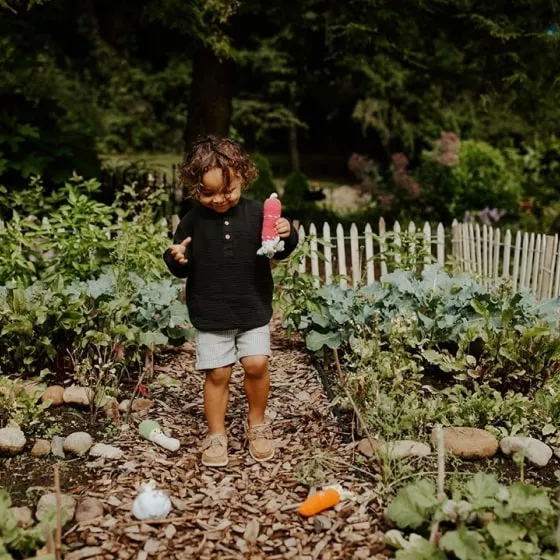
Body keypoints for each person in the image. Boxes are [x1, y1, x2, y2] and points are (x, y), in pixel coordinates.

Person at [163, 135, 299, 468]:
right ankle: (216, 434)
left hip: (252, 306)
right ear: (196, 189)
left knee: (257, 364)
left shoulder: (258, 213)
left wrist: (287, 233)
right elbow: (181, 262)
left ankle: (257, 423)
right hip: (210, 310)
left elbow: (280, 249)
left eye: (228, 190)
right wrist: (176, 257)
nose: (219, 199)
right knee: (218, 373)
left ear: (242, 177)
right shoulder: (192, 220)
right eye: (208, 193)